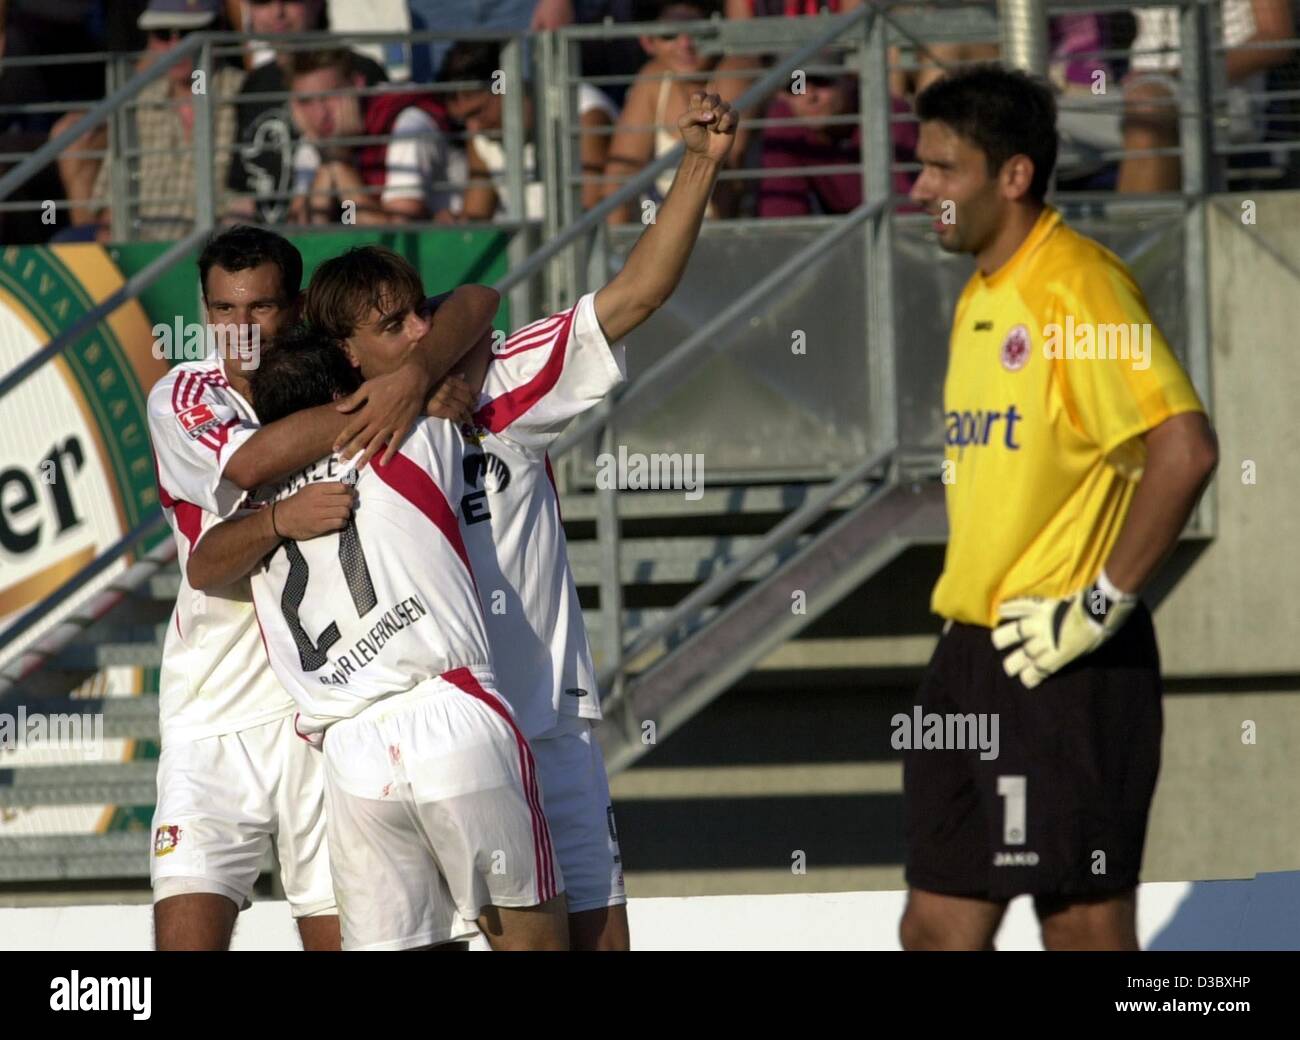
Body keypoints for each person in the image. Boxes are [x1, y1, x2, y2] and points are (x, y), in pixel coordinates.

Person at [247, 89, 738, 950]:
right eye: (391, 325)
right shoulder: (328, 441)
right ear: (346, 354)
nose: (421, 329)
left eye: (421, 312)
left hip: (541, 720)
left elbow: (634, 296)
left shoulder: (497, 383)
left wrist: (697, 163)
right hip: (424, 721)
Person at [902, 65, 1218, 951]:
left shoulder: (1079, 286)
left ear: (1014, 177)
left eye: (942, 170)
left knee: (1081, 929)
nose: (920, 189)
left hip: (1065, 664)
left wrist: (1098, 604)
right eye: (919, 166)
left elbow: (1186, 448)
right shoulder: (982, 291)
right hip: (970, 651)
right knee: (934, 929)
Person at [145, 224, 496, 950]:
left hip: (319, 709)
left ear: (299, 306)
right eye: (222, 312)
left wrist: (411, 372)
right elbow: (245, 467)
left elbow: (477, 299)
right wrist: (405, 392)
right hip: (210, 712)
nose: (240, 332)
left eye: (261, 309)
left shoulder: (346, 371)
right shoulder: (184, 394)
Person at [218, 322, 571, 951]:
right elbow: (477, 312)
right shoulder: (404, 434)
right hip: (446, 709)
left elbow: (201, 564)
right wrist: (410, 383)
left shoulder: (251, 516)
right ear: (348, 391)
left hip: (352, 753)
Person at [226, 0, 389, 224]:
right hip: (276, 242)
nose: (278, 12)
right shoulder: (254, 84)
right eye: (262, 1)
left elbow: (388, 206)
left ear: (318, 4)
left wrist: (337, 159)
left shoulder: (362, 73)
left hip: (352, 230)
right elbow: (245, 192)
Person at [1119, 0, 1295, 192]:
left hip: (1224, 98)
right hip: (1134, 89)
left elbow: (1274, 39)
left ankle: (1144, 220)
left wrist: (1177, 76)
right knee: (1085, 110)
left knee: (1149, 110)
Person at [438, 40, 617, 219]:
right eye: (463, 120)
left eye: (478, 112)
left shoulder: (583, 114)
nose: (473, 128)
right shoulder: (482, 136)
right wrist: (457, 224)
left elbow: (592, 211)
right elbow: (476, 219)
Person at [286, 48, 457, 223]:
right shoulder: (319, 137)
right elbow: (308, 232)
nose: (320, 114)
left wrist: (340, 165)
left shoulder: (408, 124)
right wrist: (331, 162)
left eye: (330, 96)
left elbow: (396, 236)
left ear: (357, 84)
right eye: (306, 101)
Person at [603, 0, 721, 224]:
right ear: (648, 42)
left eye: (698, 33)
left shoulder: (734, 73)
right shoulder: (652, 80)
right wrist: (618, 251)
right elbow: (620, 173)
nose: (685, 44)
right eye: (669, 35)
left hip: (724, 237)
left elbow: (732, 185)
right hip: (662, 232)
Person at [758, 62, 917, 217]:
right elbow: (781, 211)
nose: (809, 96)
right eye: (795, 87)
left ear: (850, 80)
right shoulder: (785, 121)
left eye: (821, 82)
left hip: (892, 231)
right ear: (782, 95)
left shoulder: (888, 113)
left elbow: (909, 207)